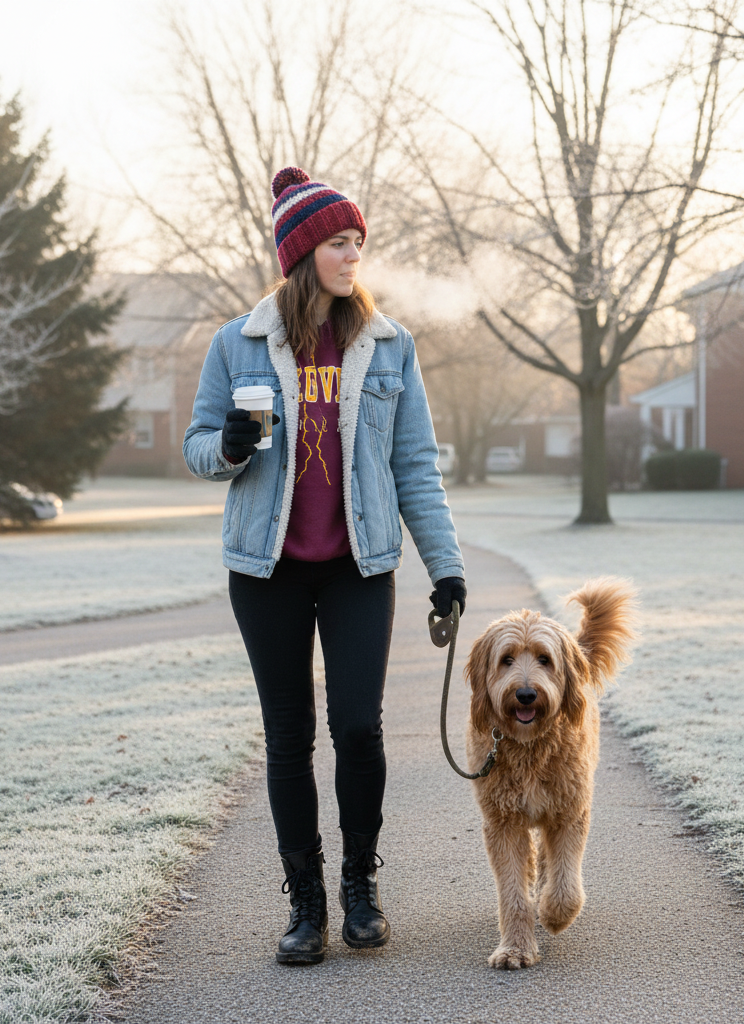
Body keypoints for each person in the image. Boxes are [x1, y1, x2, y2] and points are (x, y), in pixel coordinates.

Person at [183, 166, 466, 965]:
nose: (353, 257)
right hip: (264, 570)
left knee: (358, 729)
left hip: (357, 568)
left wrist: (445, 569)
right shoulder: (235, 342)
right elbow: (198, 446)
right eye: (340, 243)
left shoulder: (388, 346)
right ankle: (304, 905)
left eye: (358, 243)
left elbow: (416, 467)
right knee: (288, 737)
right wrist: (227, 450)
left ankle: (359, 887)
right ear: (303, 253)